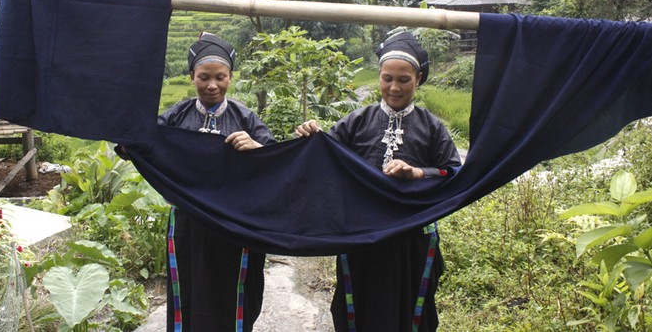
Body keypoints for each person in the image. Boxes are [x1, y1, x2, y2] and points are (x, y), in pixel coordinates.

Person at [295, 31, 461, 332]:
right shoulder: (356, 121)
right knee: (360, 304)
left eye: (403, 80)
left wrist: (417, 173)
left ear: (419, 79)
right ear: (379, 77)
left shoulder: (432, 127)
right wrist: (312, 139)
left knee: (410, 306)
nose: (394, 88)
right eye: (387, 79)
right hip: (362, 235)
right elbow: (326, 161)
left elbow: (453, 174)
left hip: (412, 237)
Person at [158, 32, 275, 331]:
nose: (212, 85)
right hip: (188, 222)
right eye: (204, 77)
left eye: (220, 77)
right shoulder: (176, 116)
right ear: (191, 77)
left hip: (234, 224)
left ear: (230, 77)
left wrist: (255, 149)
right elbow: (146, 144)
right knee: (188, 287)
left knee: (233, 288)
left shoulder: (245, 118)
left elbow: (275, 162)